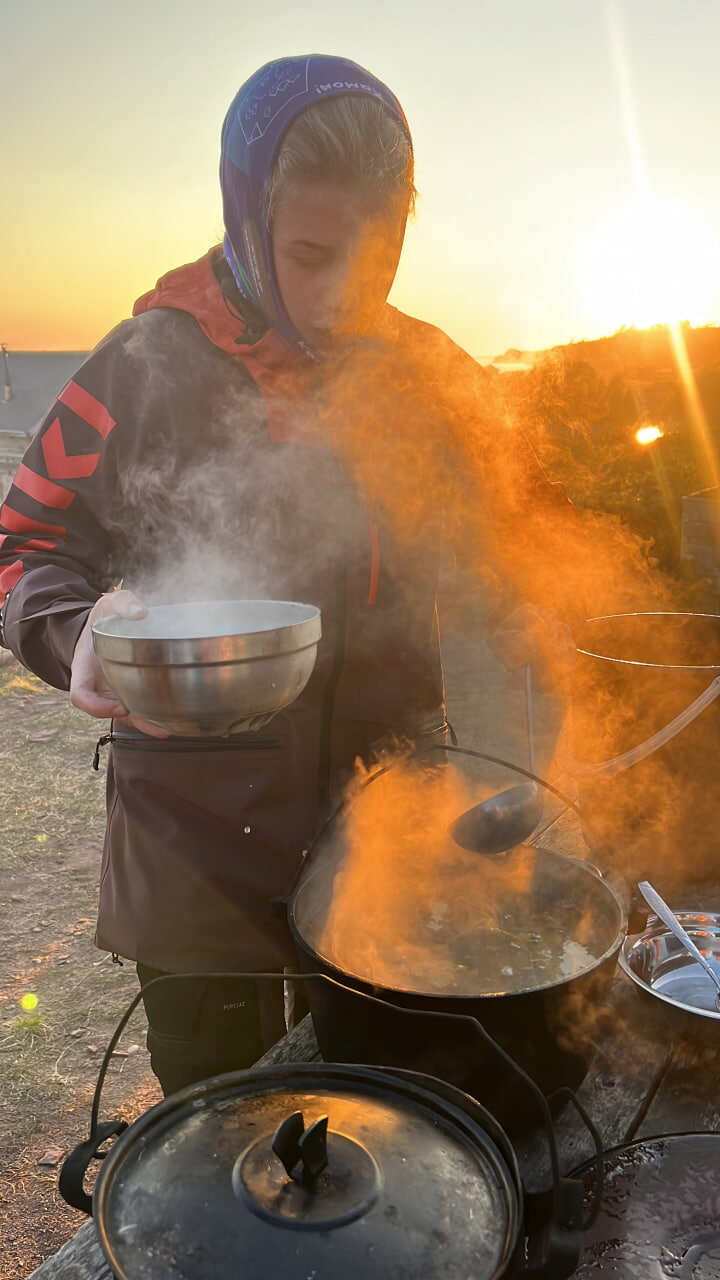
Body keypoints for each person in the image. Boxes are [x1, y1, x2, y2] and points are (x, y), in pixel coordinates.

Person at [0, 54, 576, 1096]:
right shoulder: (146, 360)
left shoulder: (431, 372)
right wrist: (69, 629)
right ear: (244, 210)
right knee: (220, 1108)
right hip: (193, 833)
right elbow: (21, 543)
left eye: (380, 253)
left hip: (386, 824)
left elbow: (535, 529)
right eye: (312, 254)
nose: (346, 293)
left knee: (373, 1100)